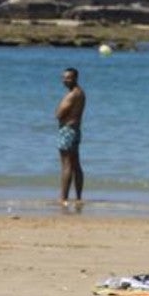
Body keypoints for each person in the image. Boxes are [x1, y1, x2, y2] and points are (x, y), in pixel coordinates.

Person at [55, 67, 86, 207]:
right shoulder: (81, 93)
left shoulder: (72, 95)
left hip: (67, 130)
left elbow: (59, 114)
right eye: (63, 78)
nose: (64, 80)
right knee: (75, 164)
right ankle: (78, 197)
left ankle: (63, 198)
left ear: (75, 78)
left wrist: (58, 110)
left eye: (68, 78)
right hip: (75, 130)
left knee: (66, 164)